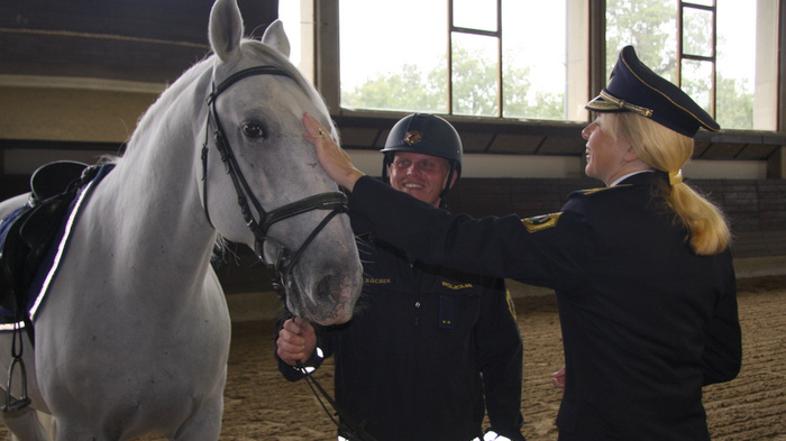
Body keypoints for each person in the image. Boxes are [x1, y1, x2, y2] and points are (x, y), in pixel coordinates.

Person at [303, 46, 742, 441]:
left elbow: (455, 240)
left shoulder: (593, 221)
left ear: (630, 145)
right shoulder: (705, 229)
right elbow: (722, 360)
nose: (586, 133)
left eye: (598, 124)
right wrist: (612, 374)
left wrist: (349, 176)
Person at [276, 113, 527, 441]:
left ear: (450, 177)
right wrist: (302, 351)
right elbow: (308, 348)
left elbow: (502, 353)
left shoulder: (471, 256)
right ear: (388, 170)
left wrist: (505, 429)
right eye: (403, 162)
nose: (412, 173)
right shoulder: (347, 251)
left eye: (427, 165)